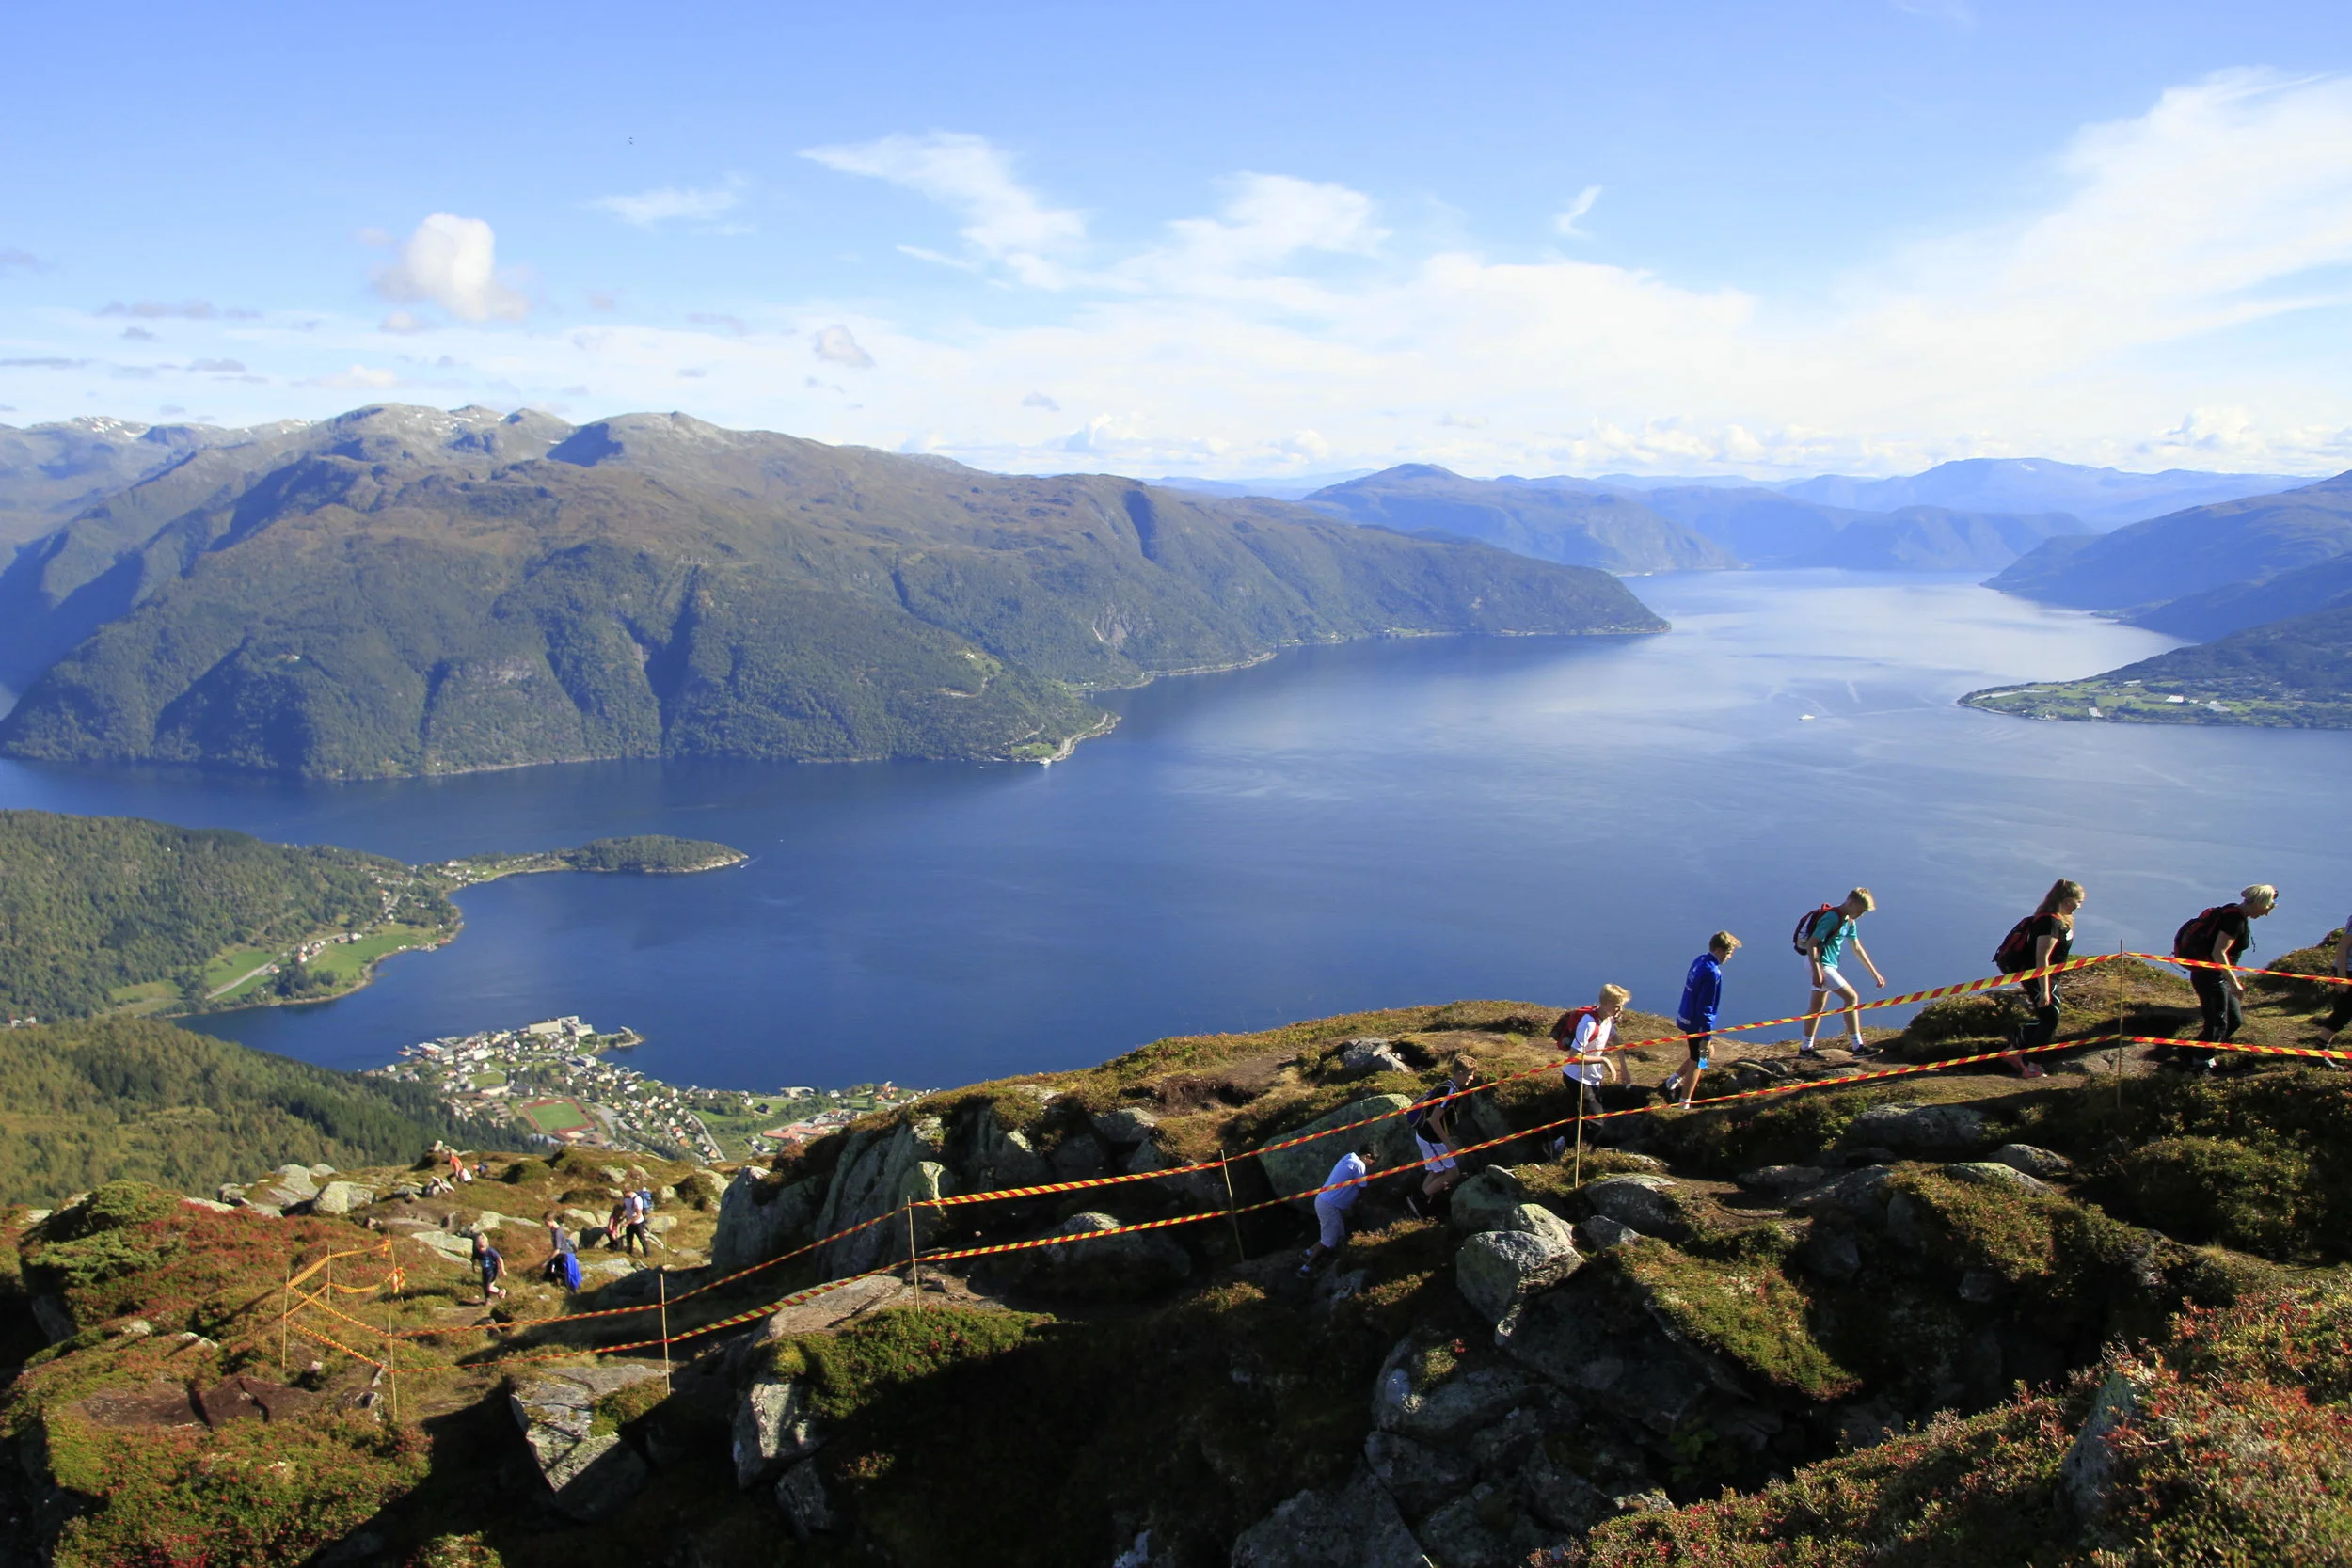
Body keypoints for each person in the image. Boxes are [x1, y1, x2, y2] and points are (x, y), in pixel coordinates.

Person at [2174, 885, 2278, 1070]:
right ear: (2260, 903)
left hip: (2216, 976)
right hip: (2210, 977)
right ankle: (2200, 1064)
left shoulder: (2232, 912)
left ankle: (2190, 1051)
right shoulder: (2233, 920)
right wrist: (2234, 982)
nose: (2267, 912)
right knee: (2217, 1023)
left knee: (2234, 1020)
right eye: (2268, 906)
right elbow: (2219, 953)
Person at [1996, 879, 2084, 1080]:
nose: (2080, 906)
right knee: (2050, 1020)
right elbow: (2042, 958)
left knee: (2048, 1019)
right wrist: (2044, 989)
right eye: (2078, 901)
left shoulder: (2058, 919)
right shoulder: (2049, 922)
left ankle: (2014, 1050)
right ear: (2067, 899)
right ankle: (2032, 1066)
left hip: (2046, 977)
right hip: (2040, 976)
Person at [1800, 890, 1887, 1057]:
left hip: (1825, 965)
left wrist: (1874, 973)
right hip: (1820, 964)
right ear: (1850, 903)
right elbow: (1812, 944)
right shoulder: (1833, 917)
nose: (1860, 915)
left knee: (1816, 1007)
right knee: (1851, 998)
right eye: (1860, 910)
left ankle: (1805, 1048)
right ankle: (1857, 1047)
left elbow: (1857, 948)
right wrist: (1817, 972)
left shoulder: (1849, 922)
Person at [1662, 934, 1739, 1107]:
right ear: (1719, 950)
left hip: (1687, 1016)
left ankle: (1672, 1081)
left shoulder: (1700, 960)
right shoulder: (1713, 972)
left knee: (1707, 1053)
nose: (1730, 957)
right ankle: (1684, 1102)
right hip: (1699, 1024)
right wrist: (1707, 1033)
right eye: (1728, 953)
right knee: (1700, 1061)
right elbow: (1707, 1006)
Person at [1403, 1058, 1480, 1216]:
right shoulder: (1449, 1091)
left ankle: (1417, 1203)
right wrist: (1448, 1143)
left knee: (1437, 1171)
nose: (1471, 1078)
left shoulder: (1447, 1086)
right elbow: (1434, 1119)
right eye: (1470, 1074)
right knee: (1453, 1174)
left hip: (1425, 1135)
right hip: (1432, 1138)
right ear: (1459, 1073)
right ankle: (1420, 1200)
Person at [1298, 1140, 1378, 1276]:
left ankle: (1308, 1253)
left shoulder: (1349, 1157)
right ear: (1368, 1156)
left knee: (1336, 1233)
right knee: (1330, 1240)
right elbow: (1363, 1188)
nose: (1371, 1166)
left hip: (1324, 1200)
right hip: (1330, 1205)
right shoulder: (1359, 1165)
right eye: (1373, 1162)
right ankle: (1306, 1268)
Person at [2316, 912, 2352, 1064]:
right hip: (2349, 970)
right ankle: (2319, 1052)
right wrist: (2342, 977)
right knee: (2344, 1012)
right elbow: (2343, 946)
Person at [472, 1232, 506, 1304]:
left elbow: (499, 1259)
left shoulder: (490, 1251)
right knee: (485, 1286)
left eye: (483, 1247)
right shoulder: (476, 1252)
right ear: (477, 1245)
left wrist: (502, 1270)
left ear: (486, 1245)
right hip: (485, 1271)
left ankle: (501, 1291)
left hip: (493, 1271)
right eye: (480, 1247)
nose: (481, 1249)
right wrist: (474, 1267)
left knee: (489, 1287)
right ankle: (487, 1299)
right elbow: (474, 1259)